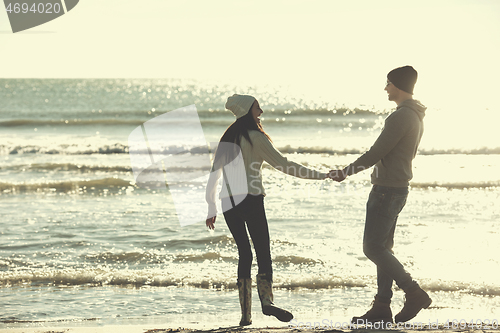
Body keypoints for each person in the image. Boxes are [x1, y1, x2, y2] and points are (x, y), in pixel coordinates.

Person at [206, 94, 327, 326]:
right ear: (247, 111)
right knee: (263, 253)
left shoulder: (226, 139)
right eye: (257, 108)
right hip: (251, 199)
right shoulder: (256, 139)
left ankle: (245, 315)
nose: (260, 113)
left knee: (244, 253)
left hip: (228, 203)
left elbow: (214, 176)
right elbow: (286, 166)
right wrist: (321, 175)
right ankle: (267, 303)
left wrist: (211, 207)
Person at [329, 66, 431, 324]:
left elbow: (377, 152)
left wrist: (346, 172)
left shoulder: (401, 117)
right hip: (396, 188)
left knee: (372, 247)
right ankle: (382, 306)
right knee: (383, 248)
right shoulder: (415, 115)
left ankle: (413, 291)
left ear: (397, 85)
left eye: (388, 83)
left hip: (386, 190)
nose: (385, 88)